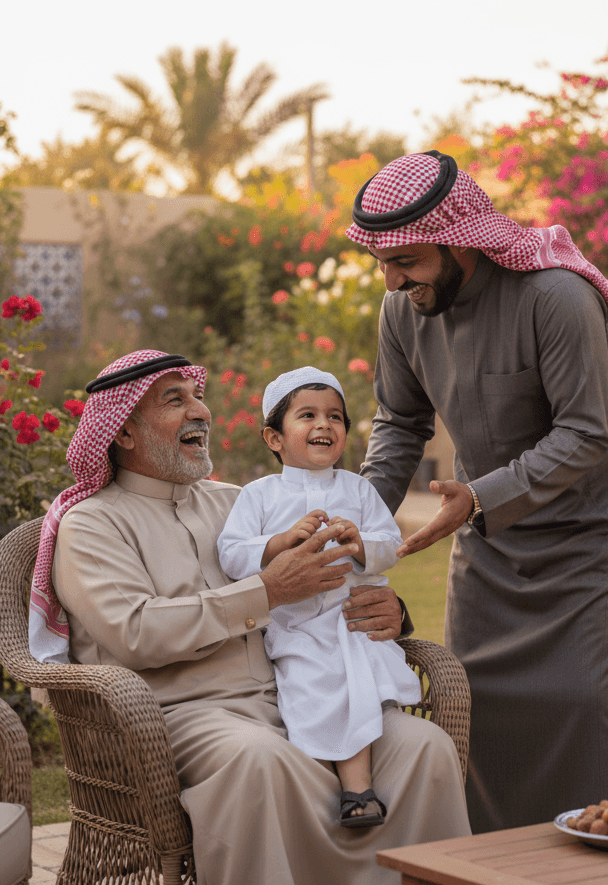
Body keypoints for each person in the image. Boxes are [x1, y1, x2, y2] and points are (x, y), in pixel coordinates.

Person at [27, 350, 470, 885]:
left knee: (425, 748)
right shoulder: (91, 525)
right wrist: (268, 590)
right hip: (185, 714)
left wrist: (391, 612)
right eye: (177, 401)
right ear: (122, 433)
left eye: (198, 397)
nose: (202, 412)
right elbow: (137, 633)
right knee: (260, 760)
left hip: (298, 692)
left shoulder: (235, 502)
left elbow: (342, 573)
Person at [347, 151, 608, 833]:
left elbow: (586, 434)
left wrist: (479, 497)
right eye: (383, 262)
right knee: (477, 703)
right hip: (491, 536)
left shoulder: (555, 298)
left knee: (589, 702)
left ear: (460, 241)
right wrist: (359, 513)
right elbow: (401, 422)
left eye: (408, 260)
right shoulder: (401, 312)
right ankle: (496, 868)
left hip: (595, 534)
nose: (394, 279)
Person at [217, 366, 423, 829]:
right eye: (307, 415)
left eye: (335, 417)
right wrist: (280, 543)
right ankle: (350, 790)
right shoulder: (259, 496)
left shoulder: (359, 489)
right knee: (317, 684)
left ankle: (357, 791)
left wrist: (360, 545)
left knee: (356, 679)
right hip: (299, 627)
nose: (323, 425)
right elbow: (231, 553)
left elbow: (392, 544)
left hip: (353, 622)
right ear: (274, 438)